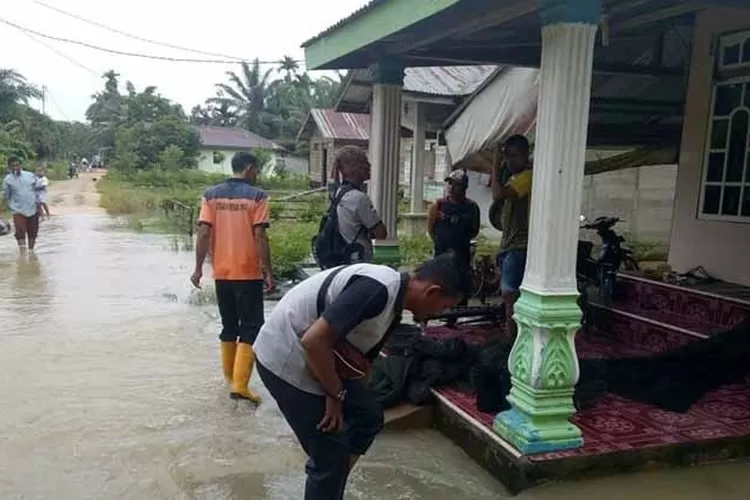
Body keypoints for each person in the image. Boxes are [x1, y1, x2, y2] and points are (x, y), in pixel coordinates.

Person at [253, 254, 464, 500]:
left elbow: (363, 363)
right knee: (330, 453)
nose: (440, 313)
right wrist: (335, 394)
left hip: (320, 357)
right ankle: (329, 474)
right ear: (432, 292)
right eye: (445, 307)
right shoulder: (377, 290)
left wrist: (346, 396)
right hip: (285, 356)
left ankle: (332, 484)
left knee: (368, 416)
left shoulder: (394, 308)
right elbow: (314, 341)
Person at [191, 151, 274, 404]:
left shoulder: (211, 195)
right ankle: (240, 385)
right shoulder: (258, 197)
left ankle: (230, 381)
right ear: (249, 168)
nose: (257, 174)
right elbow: (260, 236)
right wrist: (268, 270)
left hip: (222, 273)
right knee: (251, 327)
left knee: (229, 326)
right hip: (248, 273)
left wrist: (198, 268)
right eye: (257, 169)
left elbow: (204, 232)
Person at [491, 135, 533, 339]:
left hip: (519, 246)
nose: (510, 161)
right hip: (509, 246)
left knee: (510, 297)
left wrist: (495, 162)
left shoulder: (527, 177)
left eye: (514, 156)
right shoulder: (515, 178)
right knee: (509, 297)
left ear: (526, 155)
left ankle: (512, 342)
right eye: (507, 157)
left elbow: (497, 195)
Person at [427, 169, 481, 310]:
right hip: (442, 254)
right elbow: (431, 229)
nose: (450, 187)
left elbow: (474, 230)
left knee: (461, 286)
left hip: (462, 254)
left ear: (463, 187)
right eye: (449, 184)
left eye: (455, 184)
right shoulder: (438, 205)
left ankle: (458, 315)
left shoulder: (471, 207)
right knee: (442, 285)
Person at [331, 146, 387, 263]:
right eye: (365, 162)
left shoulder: (338, 193)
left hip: (343, 256)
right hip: (358, 260)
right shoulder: (359, 198)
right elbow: (381, 233)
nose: (369, 166)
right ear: (354, 168)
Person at [2, 156, 40, 251]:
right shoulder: (8, 180)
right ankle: (22, 255)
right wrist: (1, 208)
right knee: (20, 231)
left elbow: (37, 192)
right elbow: (5, 196)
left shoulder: (30, 175)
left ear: (21, 165)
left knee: (33, 232)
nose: (15, 168)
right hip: (18, 209)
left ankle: (31, 253)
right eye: (13, 166)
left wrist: (40, 208)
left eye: (17, 165)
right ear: (9, 167)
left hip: (33, 208)